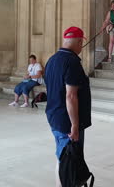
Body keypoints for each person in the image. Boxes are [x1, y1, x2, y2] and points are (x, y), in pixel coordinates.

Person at [44, 26, 91, 187]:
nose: (81, 48)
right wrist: (75, 125)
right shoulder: (72, 62)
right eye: (81, 44)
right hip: (67, 121)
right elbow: (70, 96)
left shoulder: (52, 60)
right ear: (79, 42)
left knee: (63, 157)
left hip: (54, 116)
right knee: (70, 162)